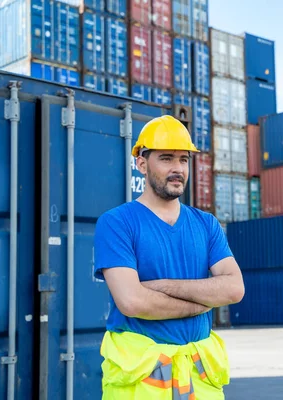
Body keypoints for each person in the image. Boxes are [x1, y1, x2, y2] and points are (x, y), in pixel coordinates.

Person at [93, 115, 245, 399]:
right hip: (141, 380)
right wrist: (201, 304)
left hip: (199, 378)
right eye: (166, 158)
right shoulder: (116, 223)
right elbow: (132, 301)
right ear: (141, 163)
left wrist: (161, 287)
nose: (178, 169)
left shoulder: (206, 224)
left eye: (183, 160)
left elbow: (234, 288)